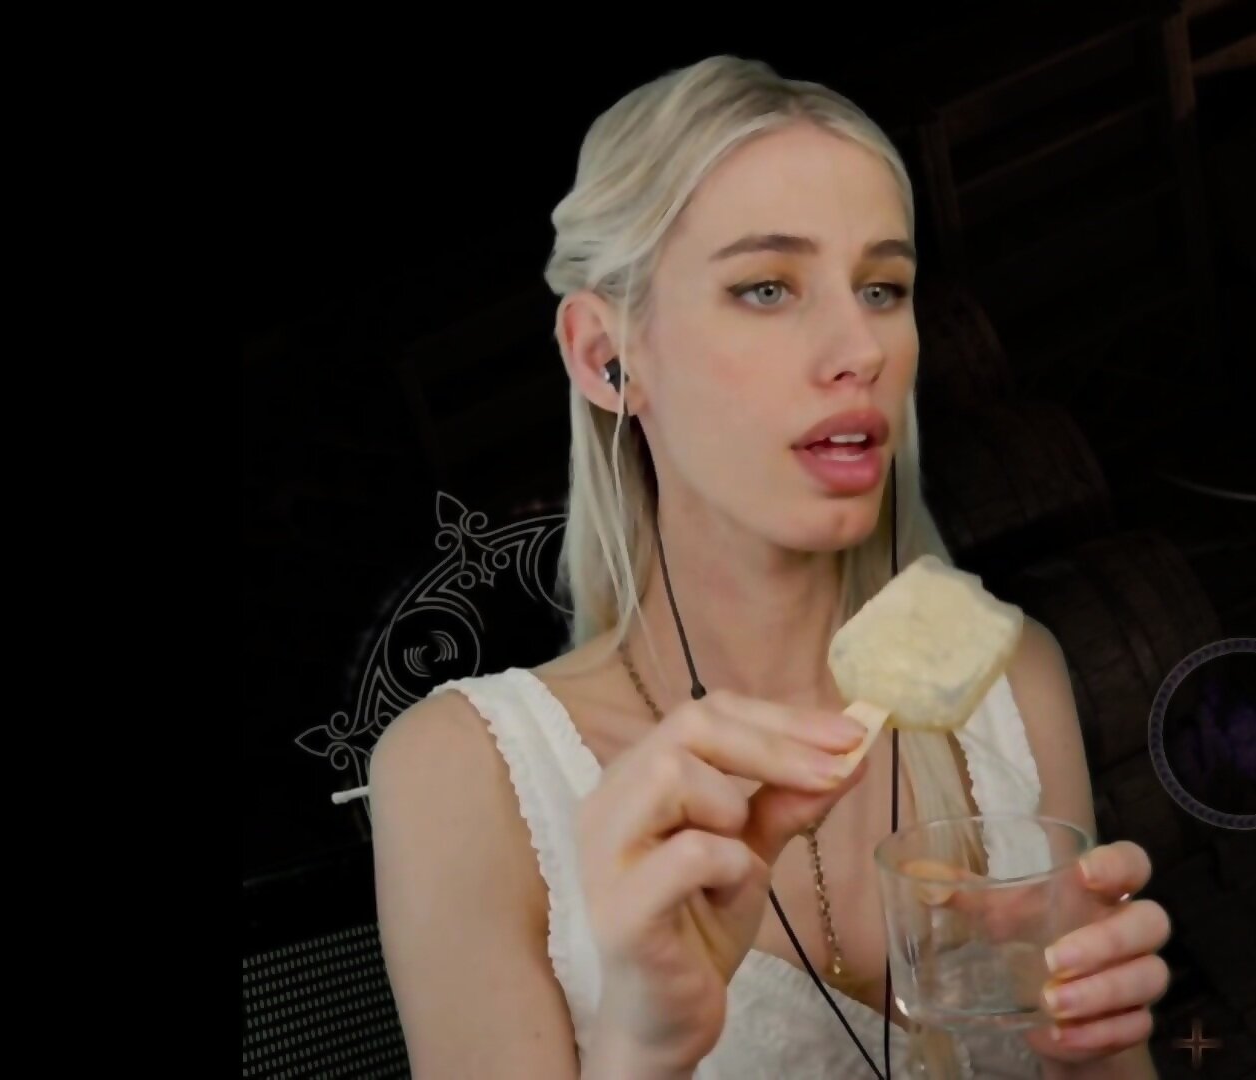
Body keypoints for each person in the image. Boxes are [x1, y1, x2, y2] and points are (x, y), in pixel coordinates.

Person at [368, 55, 1172, 1078]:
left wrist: (1093, 1054)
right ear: (608, 357)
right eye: (766, 287)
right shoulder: (459, 773)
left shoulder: (1016, 684)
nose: (860, 347)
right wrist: (642, 1047)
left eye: (882, 288)